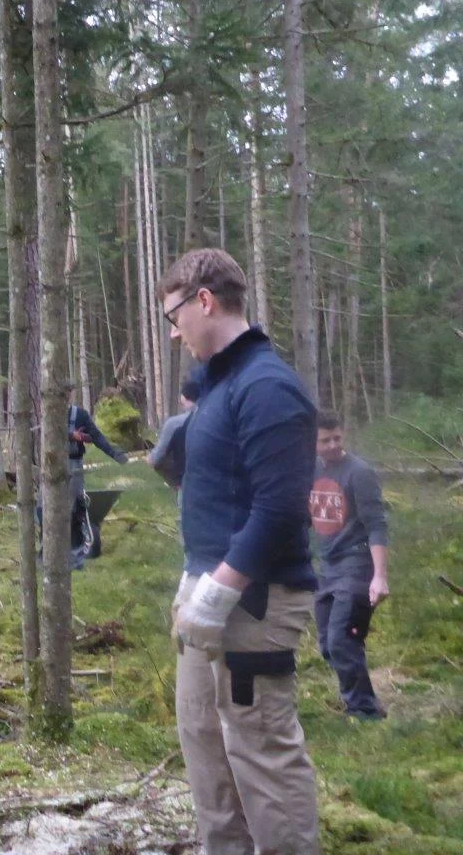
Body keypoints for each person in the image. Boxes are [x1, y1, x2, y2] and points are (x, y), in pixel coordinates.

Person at [161, 248, 320, 854]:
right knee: (203, 739)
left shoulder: (269, 387)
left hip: (254, 602)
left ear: (205, 300)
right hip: (208, 589)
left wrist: (219, 591)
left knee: (261, 754)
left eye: (174, 317)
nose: (174, 334)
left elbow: (279, 511)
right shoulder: (224, 385)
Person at [310, 410, 390, 720]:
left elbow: (377, 524)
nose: (332, 445)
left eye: (337, 438)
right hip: (326, 566)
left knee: (343, 640)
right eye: (324, 440)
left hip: (356, 565)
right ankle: (361, 702)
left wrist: (379, 576)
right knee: (328, 646)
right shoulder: (311, 470)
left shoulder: (359, 472)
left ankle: (364, 711)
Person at [65, 386, 129, 569]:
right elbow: (44, 433)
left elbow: (97, 436)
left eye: (68, 393)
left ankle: (79, 549)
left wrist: (116, 455)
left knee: (76, 506)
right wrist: (71, 435)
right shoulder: (47, 414)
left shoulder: (80, 415)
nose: (66, 397)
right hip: (52, 466)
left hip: (74, 464)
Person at [147, 376, 200, 490]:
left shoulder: (175, 424)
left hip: (186, 485)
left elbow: (156, 458)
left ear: (183, 397)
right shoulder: (214, 420)